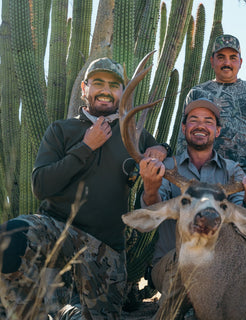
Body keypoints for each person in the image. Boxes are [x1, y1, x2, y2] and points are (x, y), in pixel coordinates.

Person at [0, 57, 169, 319]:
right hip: (56, 230)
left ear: (123, 93)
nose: (105, 90)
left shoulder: (135, 135)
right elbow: (41, 186)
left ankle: (66, 312)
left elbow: (160, 155)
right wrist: (86, 147)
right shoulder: (61, 130)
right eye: (98, 83)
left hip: (107, 245)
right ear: (84, 88)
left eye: (114, 85)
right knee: (8, 240)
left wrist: (163, 150)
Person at [140, 98, 246, 319]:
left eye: (208, 121)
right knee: (189, 268)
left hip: (221, 266)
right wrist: (151, 187)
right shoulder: (166, 168)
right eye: (194, 120)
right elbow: (154, 212)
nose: (201, 125)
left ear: (217, 131)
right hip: (172, 263)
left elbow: (239, 217)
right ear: (184, 128)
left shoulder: (232, 171)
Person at [176, 34, 246, 174]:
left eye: (233, 58)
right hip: (204, 174)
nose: (227, 63)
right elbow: (183, 139)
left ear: (240, 62)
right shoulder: (197, 93)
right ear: (212, 61)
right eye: (221, 57)